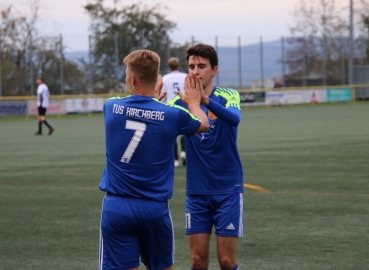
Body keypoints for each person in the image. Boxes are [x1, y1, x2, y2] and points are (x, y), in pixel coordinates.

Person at [98, 49, 209, 270]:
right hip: (155, 209)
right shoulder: (171, 115)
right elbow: (203, 124)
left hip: (117, 206)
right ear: (157, 77)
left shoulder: (111, 107)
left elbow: (137, 113)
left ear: (132, 78)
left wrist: (150, 103)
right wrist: (195, 103)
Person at [169, 43, 244, 270]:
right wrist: (152, 103)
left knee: (227, 261)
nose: (195, 71)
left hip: (227, 189)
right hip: (197, 191)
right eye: (191, 66)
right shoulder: (178, 103)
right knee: (197, 261)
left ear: (214, 70)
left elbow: (235, 118)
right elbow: (160, 128)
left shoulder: (228, 95)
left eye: (201, 66)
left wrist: (205, 102)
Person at [162, 57, 187, 167]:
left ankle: (175, 159)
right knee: (185, 133)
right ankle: (184, 152)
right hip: (184, 107)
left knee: (172, 135)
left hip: (170, 108)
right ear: (178, 65)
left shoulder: (165, 79)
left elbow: (163, 96)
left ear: (169, 67)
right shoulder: (185, 77)